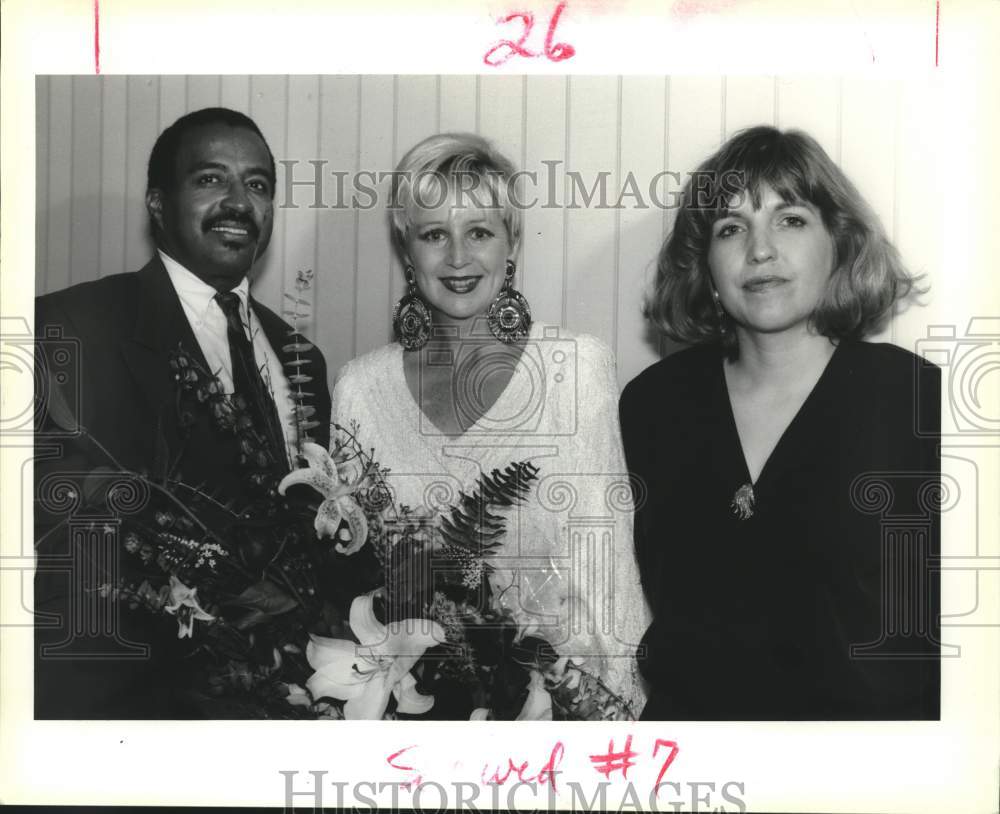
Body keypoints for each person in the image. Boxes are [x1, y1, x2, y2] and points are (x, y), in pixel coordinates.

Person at [620, 126, 941, 720]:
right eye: (731, 227)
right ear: (705, 266)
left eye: (789, 219)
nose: (759, 250)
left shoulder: (917, 401)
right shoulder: (651, 405)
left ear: (838, 244)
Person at [331, 132, 650, 718]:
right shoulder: (360, 390)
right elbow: (354, 581)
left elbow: (608, 576)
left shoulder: (577, 370)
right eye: (434, 234)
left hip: (568, 717)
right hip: (417, 720)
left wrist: (616, 716)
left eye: (479, 231)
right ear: (407, 251)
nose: (457, 258)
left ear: (511, 245)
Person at [34, 107, 331, 718]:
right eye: (209, 179)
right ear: (157, 202)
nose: (237, 201)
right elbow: (65, 539)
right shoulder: (75, 328)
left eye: (256, 185)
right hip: (130, 707)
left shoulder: (303, 359)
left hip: (279, 707)